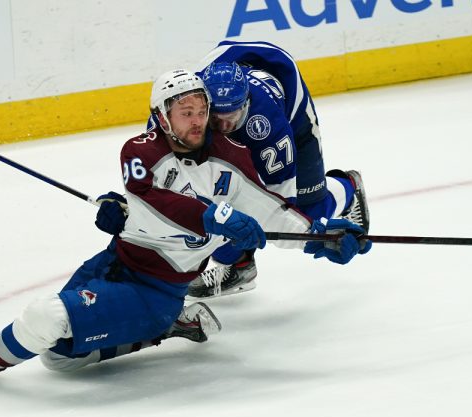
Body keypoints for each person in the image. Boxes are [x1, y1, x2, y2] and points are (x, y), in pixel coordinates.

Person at [0, 69, 371, 381]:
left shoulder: (231, 161)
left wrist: (323, 236)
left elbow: (275, 214)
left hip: (156, 288)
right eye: (185, 112)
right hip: (117, 261)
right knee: (58, 359)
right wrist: (117, 205)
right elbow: (153, 200)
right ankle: (171, 326)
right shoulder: (140, 150)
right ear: (163, 116)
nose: (197, 121)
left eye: (201, 110)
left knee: (45, 317)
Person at [100, 41, 370, 299]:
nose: (224, 125)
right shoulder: (180, 112)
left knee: (308, 209)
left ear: (246, 105)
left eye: (233, 117)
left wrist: (316, 236)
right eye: (215, 117)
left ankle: (347, 187)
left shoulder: (269, 129)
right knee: (209, 211)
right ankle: (240, 267)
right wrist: (132, 206)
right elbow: (162, 183)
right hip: (231, 76)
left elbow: (279, 205)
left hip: (291, 116)